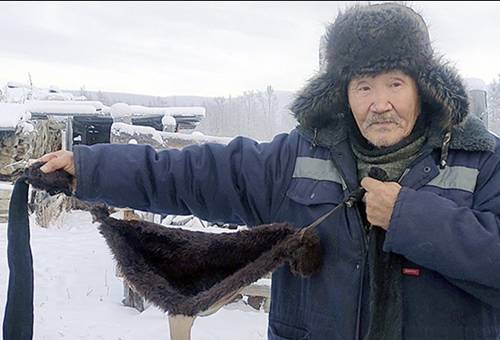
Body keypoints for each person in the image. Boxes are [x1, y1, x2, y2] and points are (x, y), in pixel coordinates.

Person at [38, 3, 500, 340]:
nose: (379, 103)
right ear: (344, 93)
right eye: (363, 86)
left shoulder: (481, 160)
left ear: (424, 87)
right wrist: (89, 166)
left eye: (394, 83)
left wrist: (409, 218)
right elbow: (196, 174)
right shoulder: (300, 156)